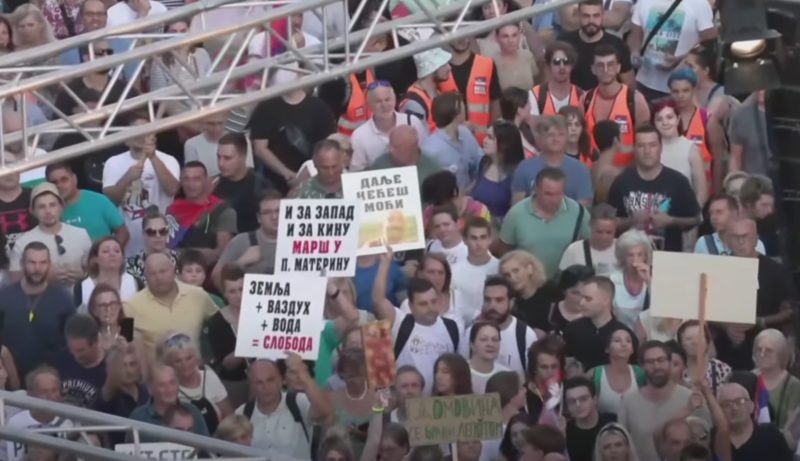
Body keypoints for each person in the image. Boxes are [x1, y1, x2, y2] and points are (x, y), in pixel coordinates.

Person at [372, 246, 461, 395]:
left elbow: (459, 371)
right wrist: (385, 263)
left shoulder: (452, 328)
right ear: (411, 306)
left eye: (433, 301)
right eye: (423, 304)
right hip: (406, 403)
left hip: (440, 405)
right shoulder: (401, 323)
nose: (430, 307)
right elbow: (378, 300)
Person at [606, 125, 701, 252]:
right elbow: (608, 222)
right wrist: (631, 221)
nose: (647, 151)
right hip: (630, 256)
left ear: (660, 148)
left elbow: (696, 219)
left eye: (652, 145)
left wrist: (671, 221)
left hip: (668, 256)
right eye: (641, 146)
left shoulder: (678, 181)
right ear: (634, 149)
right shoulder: (621, 181)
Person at [618, 341, 711, 461]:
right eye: (650, 362)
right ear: (642, 367)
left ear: (670, 363)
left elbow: (707, 442)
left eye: (661, 360)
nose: (656, 366)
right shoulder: (628, 401)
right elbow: (622, 445)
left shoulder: (692, 399)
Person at [249, 65, 336, 195]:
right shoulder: (266, 108)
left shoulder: (319, 108)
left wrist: (308, 173)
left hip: (314, 180)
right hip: (273, 185)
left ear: (300, 75)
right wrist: (288, 174)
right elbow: (260, 148)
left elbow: (329, 144)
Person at [0, 242, 76, 380]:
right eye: (32, 262)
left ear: (49, 264)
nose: (37, 269)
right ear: (22, 264)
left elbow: (72, 344)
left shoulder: (64, 299)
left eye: (43, 263)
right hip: (10, 381)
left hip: (52, 382)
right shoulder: (3, 296)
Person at [500, 167, 591, 278]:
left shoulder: (579, 212)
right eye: (548, 194)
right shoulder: (516, 214)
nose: (554, 199)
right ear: (536, 189)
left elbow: (591, 246)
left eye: (558, 193)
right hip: (528, 284)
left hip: (566, 284)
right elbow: (505, 252)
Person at [123, 253, 217, 359]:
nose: (159, 277)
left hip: (194, 366)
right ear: (146, 277)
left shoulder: (198, 295)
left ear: (174, 271)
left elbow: (220, 324)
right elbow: (124, 345)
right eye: (153, 274)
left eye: (163, 271)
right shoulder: (129, 306)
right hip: (155, 368)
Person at [236, 357, 332, 459]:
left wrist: (303, 373)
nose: (266, 386)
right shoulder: (242, 413)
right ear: (252, 385)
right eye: (259, 382)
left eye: (270, 380)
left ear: (281, 380)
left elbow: (324, 411)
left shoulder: (298, 402)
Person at [9, 183, 92, 291]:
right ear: (33, 211)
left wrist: (84, 275)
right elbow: (14, 280)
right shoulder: (23, 242)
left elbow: (97, 270)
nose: (48, 211)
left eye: (52, 205)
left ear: (61, 207)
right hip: (41, 298)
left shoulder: (81, 235)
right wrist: (43, 277)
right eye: (41, 207)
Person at [583, 46, 650, 166]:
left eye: (610, 65)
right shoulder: (585, 99)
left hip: (625, 171)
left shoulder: (635, 100)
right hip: (592, 171)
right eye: (600, 65)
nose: (605, 70)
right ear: (593, 69)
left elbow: (644, 142)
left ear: (618, 67)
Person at [459, 276, 537, 378]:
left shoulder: (526, 335)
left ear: (511, 303)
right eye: (487, 300)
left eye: (499, 300)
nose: (492, 306)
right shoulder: (470, 333)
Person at [511, 116, 593, 207]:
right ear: (540, 138)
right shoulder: (524, 168)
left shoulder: (580, 170)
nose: (556, 139)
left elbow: (583, 207)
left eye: (561, 134)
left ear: (566, 137)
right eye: (550, 135)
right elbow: (517, 206)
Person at [668, 69, 724, 195]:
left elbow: (718, 161)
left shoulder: (707, 121)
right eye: (676, 91)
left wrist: (716, 195)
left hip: (702, 191)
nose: (680, 95)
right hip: (671, 191)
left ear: (694, 90)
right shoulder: (663, 119)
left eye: (685, 90)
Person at [161, 334, 231, 435]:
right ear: (170, 364)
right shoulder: (170, 387)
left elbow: (228, 414)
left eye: (188, 358)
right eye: (178, 361)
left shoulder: (209, 376)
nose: (185, 364)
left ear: (196, 358)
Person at [349, 82, 428, 172]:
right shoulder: (359, 136)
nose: (384, 105)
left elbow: (426, 154)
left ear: (394, 100)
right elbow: (357, 172)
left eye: (387, 100)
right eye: (378, 101)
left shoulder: (412, 122)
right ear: (368, 105)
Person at [168, 162, 236, 264]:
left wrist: (180, 253)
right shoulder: (173, 210)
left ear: (206, 181)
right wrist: (201, 253)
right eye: (186, 179)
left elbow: (223, 253)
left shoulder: (222, 211)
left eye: (196, 179)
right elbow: (165, 249)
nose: (191, 184)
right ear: (181, 182)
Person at [562, 275, 634, 372]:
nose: (582, 303)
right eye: (581, 297)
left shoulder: (624, 334)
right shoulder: (572, 329)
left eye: (588, 299)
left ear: (605, 300)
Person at [438, 36, 501, 143]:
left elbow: (495, 102)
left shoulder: (487, 64)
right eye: (457, 35)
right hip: (452, 141)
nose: (462, 38)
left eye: (465, 33)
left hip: (482, 141)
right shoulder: (440, 70)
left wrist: (493, 135)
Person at [45, 162, 128, 244]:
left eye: (64, 179)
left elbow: (123, 233)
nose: (59, 185)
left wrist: (111, 251)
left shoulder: (99, 200)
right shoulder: (47, 210)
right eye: (54, 182)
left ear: (74, 179)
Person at [560, 0, 633, 91]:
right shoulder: (564, 43)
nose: (591, 21)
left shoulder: (618, 45)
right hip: (573, 98)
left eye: (596, 16)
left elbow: (628, 82)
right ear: (579, 15)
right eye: (586, 16)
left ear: (603, 15)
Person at [212, 191, 280, 290]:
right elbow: (217, 275)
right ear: (258, 218)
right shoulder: (242, 241)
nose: (274, 217)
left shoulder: (299, 243)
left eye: (278, 211)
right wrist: (240, 263)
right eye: (267, 212)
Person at [3, 367, 74, 461]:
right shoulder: (15, 423)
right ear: (31, 394)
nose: (50, 396)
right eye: (44, 392)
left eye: (54, 390)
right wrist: (28, 457)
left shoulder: (69, 422)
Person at [128, 364, 209, 440]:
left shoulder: (193, 411)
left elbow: (207, 446)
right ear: (150, 389)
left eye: (172, 383)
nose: (169, 390)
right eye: (162, 385)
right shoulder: (138, 417)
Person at [421, 93, 483, 191]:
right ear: (456, 115)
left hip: (475, 193)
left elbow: (480, 159)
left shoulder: (465, 133)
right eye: (462, 107)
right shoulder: (430, 151)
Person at [652, 99, 708, 208]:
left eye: (669, 117)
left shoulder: (691, 149)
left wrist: (693, 214)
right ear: (654, 123)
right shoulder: (650, 149)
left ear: (678, 119)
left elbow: (702, 192)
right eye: (659, 119)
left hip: (685, 213)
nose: (665, 123)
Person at [213, 132, 273, 234]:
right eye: (218, 157)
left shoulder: (261, 187)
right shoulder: (213, 185)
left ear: (243, 157)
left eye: (227, 158)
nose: (221, 163)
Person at [716, 382, 794, 460]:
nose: (735, 408)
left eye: (740, 401)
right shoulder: (712, 440)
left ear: (751, 406)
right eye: (727, 404)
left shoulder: (772, 437)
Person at [49, 314, 107, 408]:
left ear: (95, 342)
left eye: (81, 350)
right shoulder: (60, 359)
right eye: (71, 349)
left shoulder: (109, 368)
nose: (75, 355)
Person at [470, 120, 524, 220]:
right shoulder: (484, 162)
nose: (484, 140)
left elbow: (515, 215)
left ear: (504, 144)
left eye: (490, 138)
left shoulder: (516, 174)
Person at [589, 327, 644, 416]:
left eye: (628, 341)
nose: (624, 344)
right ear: (607, 348)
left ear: (632, 350)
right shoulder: (594, 374)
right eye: (617, 340)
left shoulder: (640, 373)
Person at [753, 329, 800, 428]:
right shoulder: (747, 378)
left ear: (781, 354)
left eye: (769, 350)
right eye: (759, 349)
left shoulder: (794, 386)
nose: (762, 354)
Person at [368, 125, 443, 186]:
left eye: (396, 147)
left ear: (413, 147)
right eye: (390, 145)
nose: (391, 150)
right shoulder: (380, 165)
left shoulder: (434, 171)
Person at [564, 377, 617, 461]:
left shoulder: (613, 422)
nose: (578, 404)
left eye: (583, 399)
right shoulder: (565, 432)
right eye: (572, 401)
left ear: (595, 399)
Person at [400, 48, 452, 133]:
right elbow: (420, 138)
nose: (449, 67)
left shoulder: (436, 91)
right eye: (443, 64)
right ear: (431, 69)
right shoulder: (414, 104)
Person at [695, 194, 766, 255]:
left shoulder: (754, 244)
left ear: (735, 213)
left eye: (719, 212)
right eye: (711, 213)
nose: (713, 217)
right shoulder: (703, 243)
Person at [124, 210, 180, 288]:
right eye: (151, 232)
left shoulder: (181, 261)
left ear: (167, 233)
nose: (158, 236)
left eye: (162, 231)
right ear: (144, 235)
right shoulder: (130, 266)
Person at [559, 203, 617, 275]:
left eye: (609, 232)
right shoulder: (574, 250)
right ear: (590, 227)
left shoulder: (623, 250)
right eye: (599, 232)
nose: (604, 237)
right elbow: (563, 278)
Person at [529, 42, 584, 116]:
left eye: (566, 61)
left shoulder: (582, 96)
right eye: (556, 62)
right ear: (549, 66)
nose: (562, 67)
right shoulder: (535, 95)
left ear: (572, 66)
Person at [467, 322, 509, 393]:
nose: (490, 344)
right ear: (472, 344)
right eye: (483, 339)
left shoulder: (506, 376)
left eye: (495, 340)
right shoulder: (458, 374)